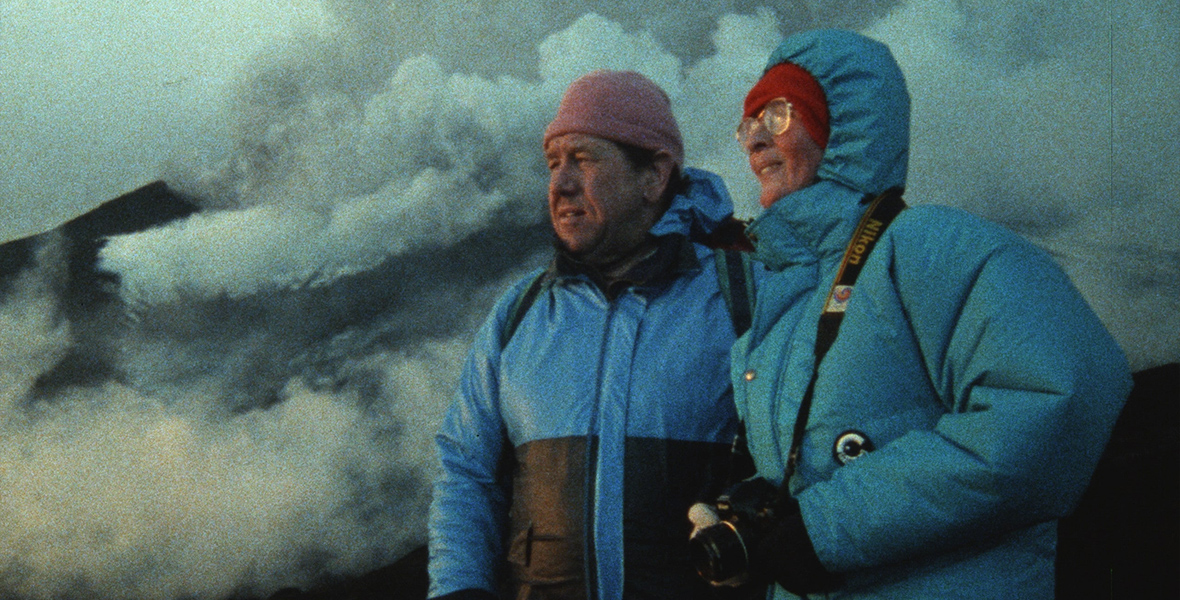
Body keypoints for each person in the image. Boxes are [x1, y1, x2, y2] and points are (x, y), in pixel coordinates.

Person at [688, 29, 1133, 599]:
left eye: (776, 115)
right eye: (747, 124)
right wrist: (759, 514)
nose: (753, 140)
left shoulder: (929, 246)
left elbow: (1060, 397)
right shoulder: (782, 310)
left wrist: (828, 527)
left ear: (845, 126)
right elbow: (817, 471)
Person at [428, 70, 762, 600]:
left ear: (654, 176)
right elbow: (467, 471)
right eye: (552, 164)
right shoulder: (519, 314)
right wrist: (458, 589)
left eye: (582, 159)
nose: (559, 185)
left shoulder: (743, 299)